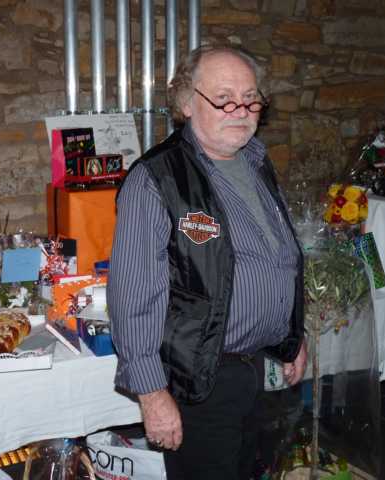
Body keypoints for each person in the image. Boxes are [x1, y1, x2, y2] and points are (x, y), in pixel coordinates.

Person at [107, 44, 307, 480]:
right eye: (224, 98)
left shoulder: (256, 161)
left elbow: (280, 257)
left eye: (251, 98)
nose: (241, 111)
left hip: (259, 368)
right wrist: (152, 395)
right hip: (200, 379)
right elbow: (133, 297)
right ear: (186, 102)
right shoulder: (156, 179)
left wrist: (293, 335)